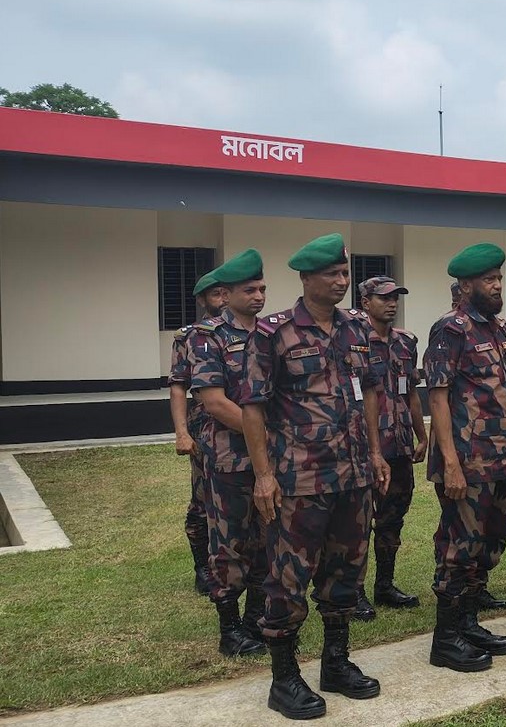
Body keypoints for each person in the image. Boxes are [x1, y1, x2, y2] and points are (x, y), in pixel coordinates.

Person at [240, 233, 391, 720]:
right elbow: (253, 406)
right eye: (332, 274)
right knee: (288, 580)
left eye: (345, 274)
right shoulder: (273, 332)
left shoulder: (356, 328)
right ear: (306, 279)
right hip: (299, 481)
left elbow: (369, 392)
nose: (341, 281)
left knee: (345, 573)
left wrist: (375, 452)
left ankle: (336, 663)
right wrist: (263, 476)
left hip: (352, 478)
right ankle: (283, 678)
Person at [421, 245, 506, 672]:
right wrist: (449, 463)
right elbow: (438, 398)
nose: (497, 286)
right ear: (466, 286)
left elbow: (505, 399)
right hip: (466, 462)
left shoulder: (495, 330)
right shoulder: (452, 329)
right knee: (459, 548)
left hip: (499, 460)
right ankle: (445, 640)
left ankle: (468, 622)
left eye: (499, 279)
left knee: (488, 546)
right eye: (488, 280)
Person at [187, 249, 268, 657]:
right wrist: (266, 436)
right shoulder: (209, 337)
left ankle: (256, 619)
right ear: (227, 293)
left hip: (269, 460)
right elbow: (215, 402)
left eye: (262, 288)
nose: (259, 296)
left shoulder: (272, 334)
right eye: (249, 289)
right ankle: (230, 628)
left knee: (266, 539)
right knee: (230, 541)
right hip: (230, 457)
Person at [355, 277, 428, 616]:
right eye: (384, 298)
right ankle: (353, 592)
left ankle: (384, 584)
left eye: (396, 297)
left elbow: (409, 391)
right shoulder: (353, 341)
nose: (391, 303)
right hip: (363, 447)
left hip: (398, 445)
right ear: (365, 301)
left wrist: (421, 434)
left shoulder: (405, 342)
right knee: (356, 523)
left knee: (392, 519)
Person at [170, 273, 229, 596]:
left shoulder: (253, 331)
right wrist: (181, 432)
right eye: (215, 295)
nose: (222, 299)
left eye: (225, 293)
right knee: (203, 499)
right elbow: (178, 387)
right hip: (205, 427)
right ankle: (202, 567)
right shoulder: (189, 337)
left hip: (244, 423)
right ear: (203, 300)